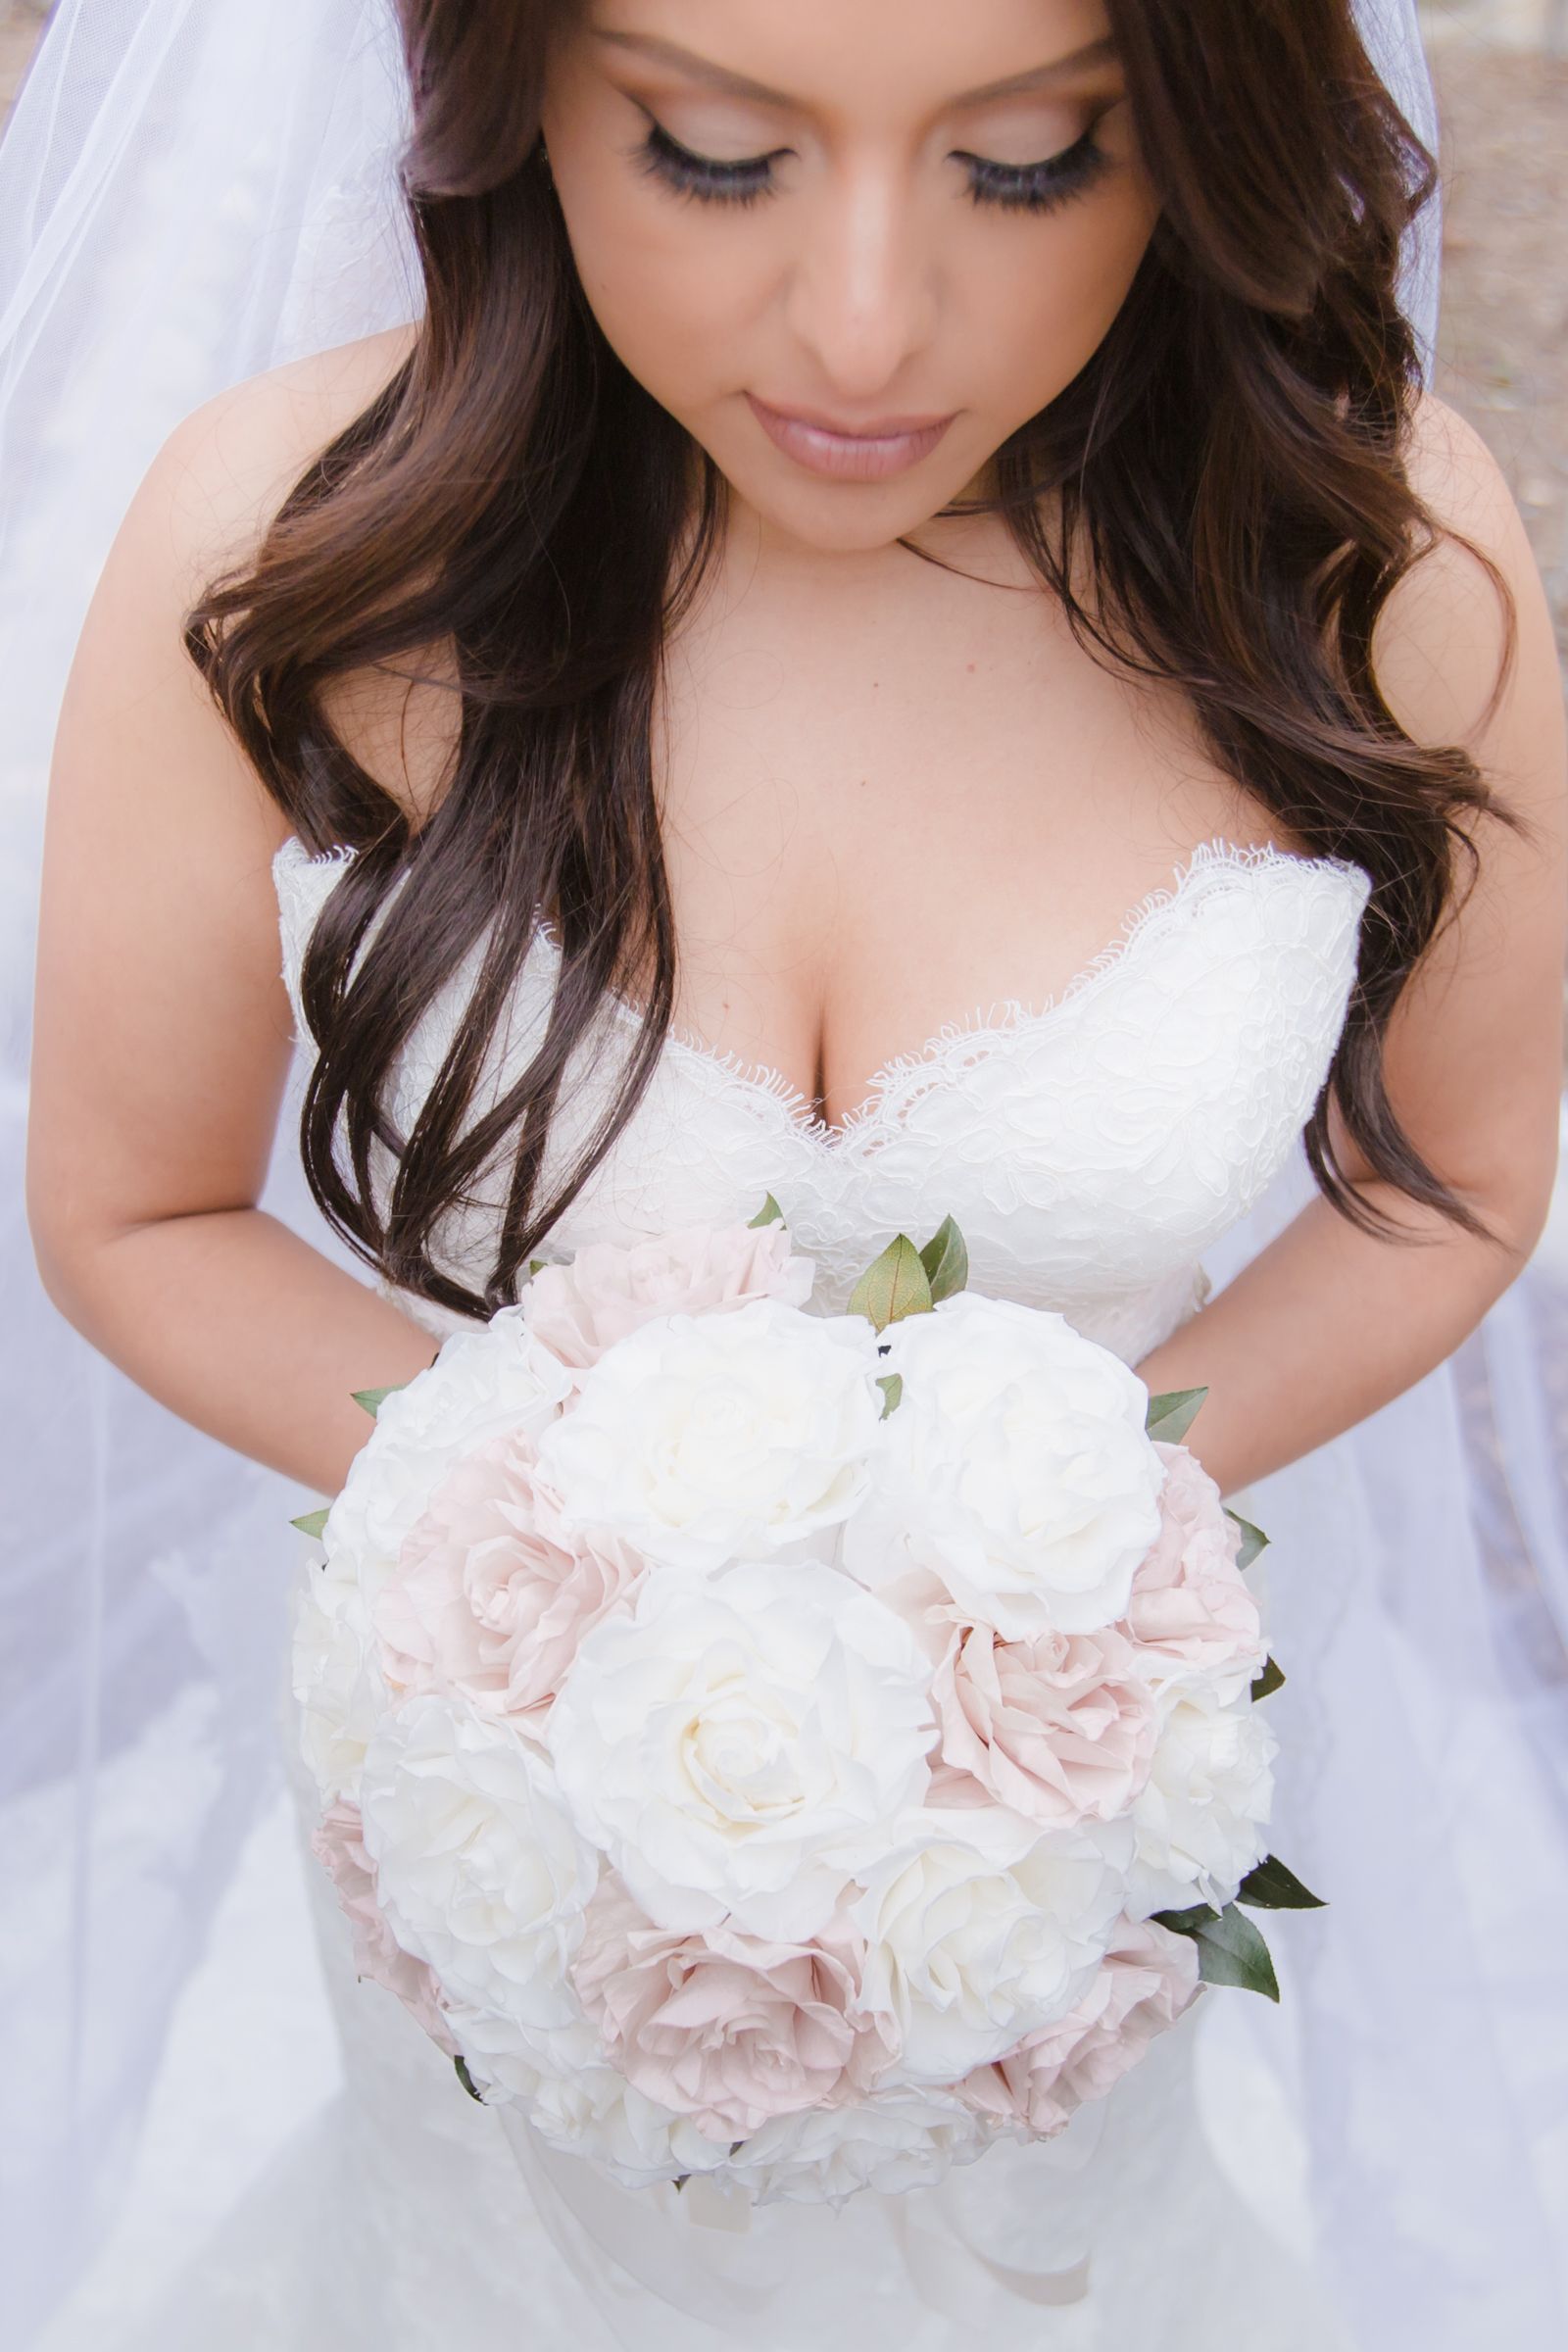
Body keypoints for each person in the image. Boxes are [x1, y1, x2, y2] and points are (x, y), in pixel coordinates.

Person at [10, 0, 1567, 2345]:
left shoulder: (1364, 541)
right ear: (509, 88)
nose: (864, 322)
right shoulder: (287, 552)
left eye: (1031, 161)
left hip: (1067, 1845)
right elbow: (133, 1204)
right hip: (504, 1832)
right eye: (714, 154)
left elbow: (1454, 1169)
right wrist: (538, 1562)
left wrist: (1038, 1591)